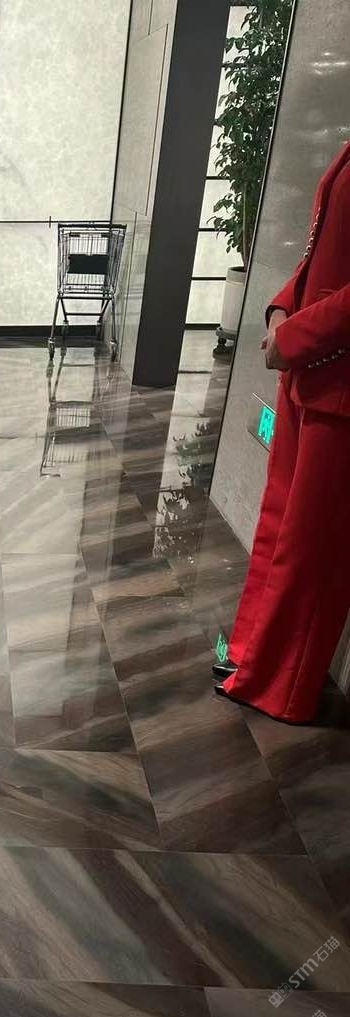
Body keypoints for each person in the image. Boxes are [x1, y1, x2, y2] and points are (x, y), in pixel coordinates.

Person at [214, 140, 350, 723]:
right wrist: (281, 306)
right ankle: (253, 656)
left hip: (339, 379)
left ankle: (282, 685)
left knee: (312, 546)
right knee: (279, 524)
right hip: (311, 367)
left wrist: (294, 335)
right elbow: (322, 249)